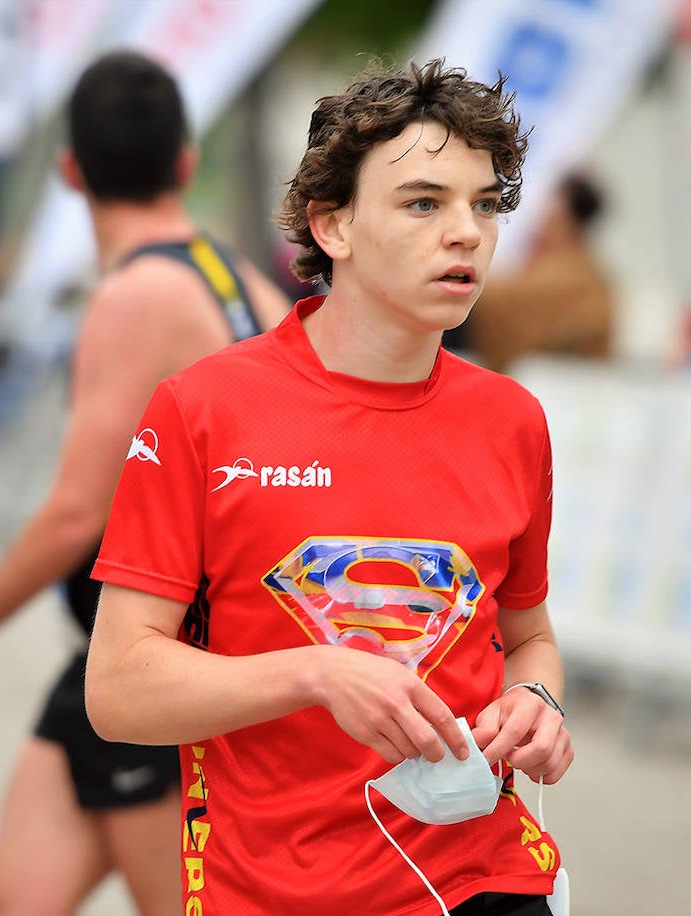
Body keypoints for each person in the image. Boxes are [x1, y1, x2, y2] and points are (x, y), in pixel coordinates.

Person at [85, 59, 574, 915]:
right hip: (271, 890)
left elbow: (528, 637)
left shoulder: (513, 421)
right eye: (424, 203)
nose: (465, 231)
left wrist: (535, 699)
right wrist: (313, 675)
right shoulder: (202, 411)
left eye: (485, 204)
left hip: (480, 877)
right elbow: (118, 690)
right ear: (333, 227)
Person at [0, 51, 288, 916]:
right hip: (122, 665)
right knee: (10, 903)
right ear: (185, 166)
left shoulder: (133, 299)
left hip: (170, 676)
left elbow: (77, 511)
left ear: (68, 172)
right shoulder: (239, 279)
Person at [451, 173, 614, 371]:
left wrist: (459, 277)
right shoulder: (575, 268)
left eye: (552, 216)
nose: (541, 223)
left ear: (568, 221)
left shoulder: (570, 274)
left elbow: (502, 300)